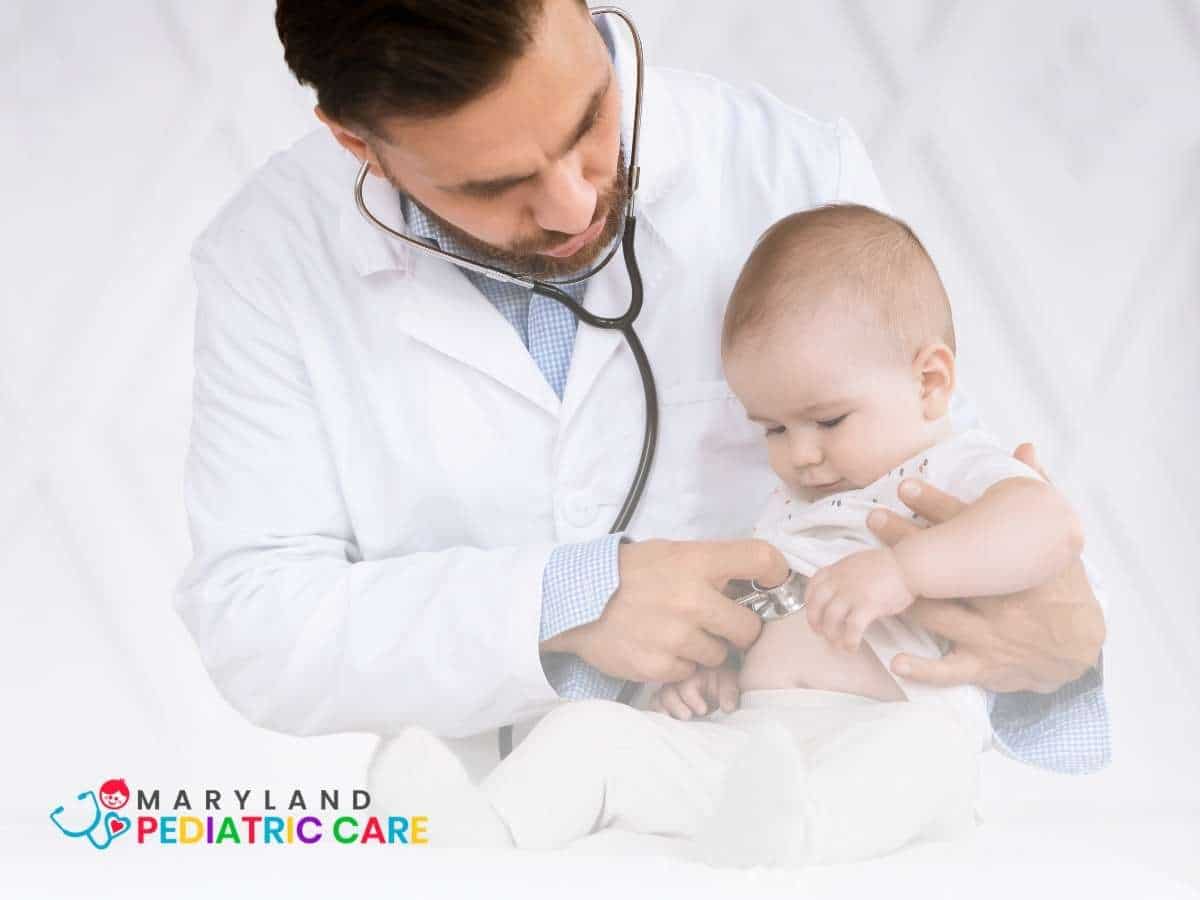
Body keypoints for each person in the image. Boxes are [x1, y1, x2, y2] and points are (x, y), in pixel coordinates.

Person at [175, 0, 1108, 782]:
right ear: (357, 145)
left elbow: (930, 467)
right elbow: (255, 614)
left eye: (588, 122)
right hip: (488, 820)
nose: (575, 206)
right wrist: (563, 601)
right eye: (494, 185)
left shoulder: (787, 166)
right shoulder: (271, 259)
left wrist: (1053, 639)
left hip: (804, 770)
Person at [367, 205, 1089, 866]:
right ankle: (484, 827)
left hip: (885, 733)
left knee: (928, 752)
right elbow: (768, 614)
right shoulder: (794, 504)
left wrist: (907, 571)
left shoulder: (958, 466)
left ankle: (800, 833)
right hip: (752, 745)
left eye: (827, 421)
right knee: (593, 730)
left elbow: (1047, 527)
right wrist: (718, 672)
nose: (800, 453)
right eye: (774, 428)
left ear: (931, 382)